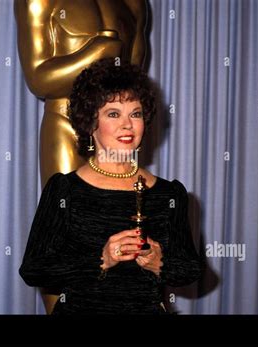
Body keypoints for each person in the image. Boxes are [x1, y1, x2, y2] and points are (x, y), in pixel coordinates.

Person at [19, 58, 202, 314]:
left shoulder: (169, 193)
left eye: (135, 114)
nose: (127, 124)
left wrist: (160, 263)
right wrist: (101, 260)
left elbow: (189, 269)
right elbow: (34, 269)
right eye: (113, 113)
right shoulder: (64, 190)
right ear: (90, 122)